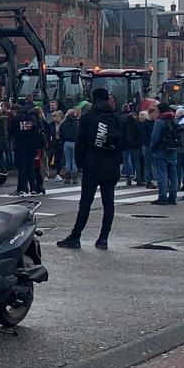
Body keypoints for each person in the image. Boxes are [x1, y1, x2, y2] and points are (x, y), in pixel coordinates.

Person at [57, 87, 123, 250]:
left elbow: (81, 143)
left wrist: (80, 164)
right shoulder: (116, 118)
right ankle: (103, 238)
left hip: (92, 165)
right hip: (111, 166)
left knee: (85, 203)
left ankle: (76, 236)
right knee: (109, 203)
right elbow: (123, 143)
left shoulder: (88, 117)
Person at [9, 100, 46, 195]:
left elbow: (11, 132)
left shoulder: (17, 119)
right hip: (31, 147)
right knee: (31, 167)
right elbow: (36, 133)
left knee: (22, 168)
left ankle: (21, 188)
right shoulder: (32, 119)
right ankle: (33, 188)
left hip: (20, 146)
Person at [147, 104, 182, 205]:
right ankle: (173, 197)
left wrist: (152, 148)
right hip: (173, 151)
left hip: (161, 151)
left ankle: (162, 197)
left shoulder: (159, 121)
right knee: (173, 175)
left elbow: (155, 137)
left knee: (162, 175)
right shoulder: (173, 120)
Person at [59, 106, 80, 184]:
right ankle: (74, 178)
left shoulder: (64, 123)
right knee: (74, 160)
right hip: (75, 142)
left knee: (68, 161)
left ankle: (67, 178)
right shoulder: (77, 122)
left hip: (66, 142)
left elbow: (60, 133)